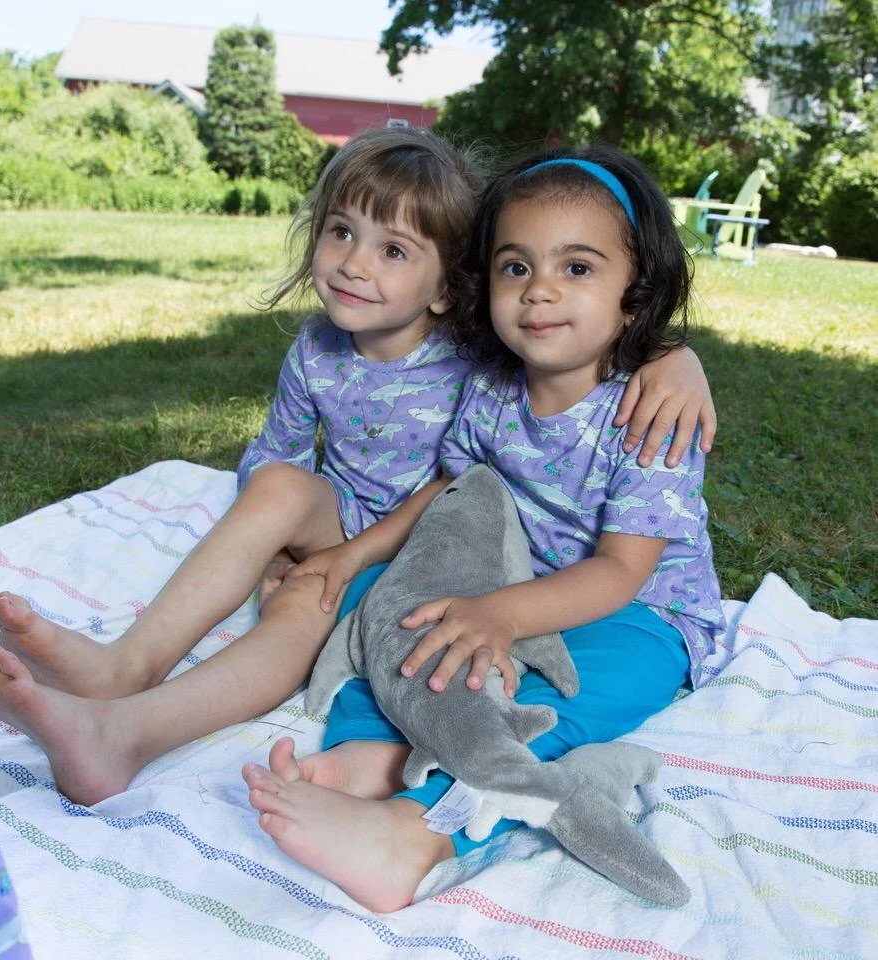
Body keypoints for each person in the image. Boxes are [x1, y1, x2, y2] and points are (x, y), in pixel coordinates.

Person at [0, 130, 715, 809]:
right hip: (387, 538)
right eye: (340, 232)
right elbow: (323, 465)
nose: (353, 263)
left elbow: (578, 363)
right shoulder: (368, 357)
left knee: (331, 615)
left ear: (450, 288)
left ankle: (132, 734)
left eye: (392, 250)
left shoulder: (493, 363)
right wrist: (289, 552)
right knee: (290, 522)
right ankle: (126, 671)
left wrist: (672, 355)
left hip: (468, 564)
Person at [242, 144, 725, 914]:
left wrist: (500, 614)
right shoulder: (492, 390)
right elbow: (451, 493)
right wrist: (355, 558)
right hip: (511, 586)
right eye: (515, 266)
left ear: (634, 295)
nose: (539, 291)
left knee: (549, 706)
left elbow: (621, 572)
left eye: (576, 267)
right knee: (402, 621)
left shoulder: (649, 417)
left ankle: (416, 837)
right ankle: (368, 753)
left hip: (640, 616)